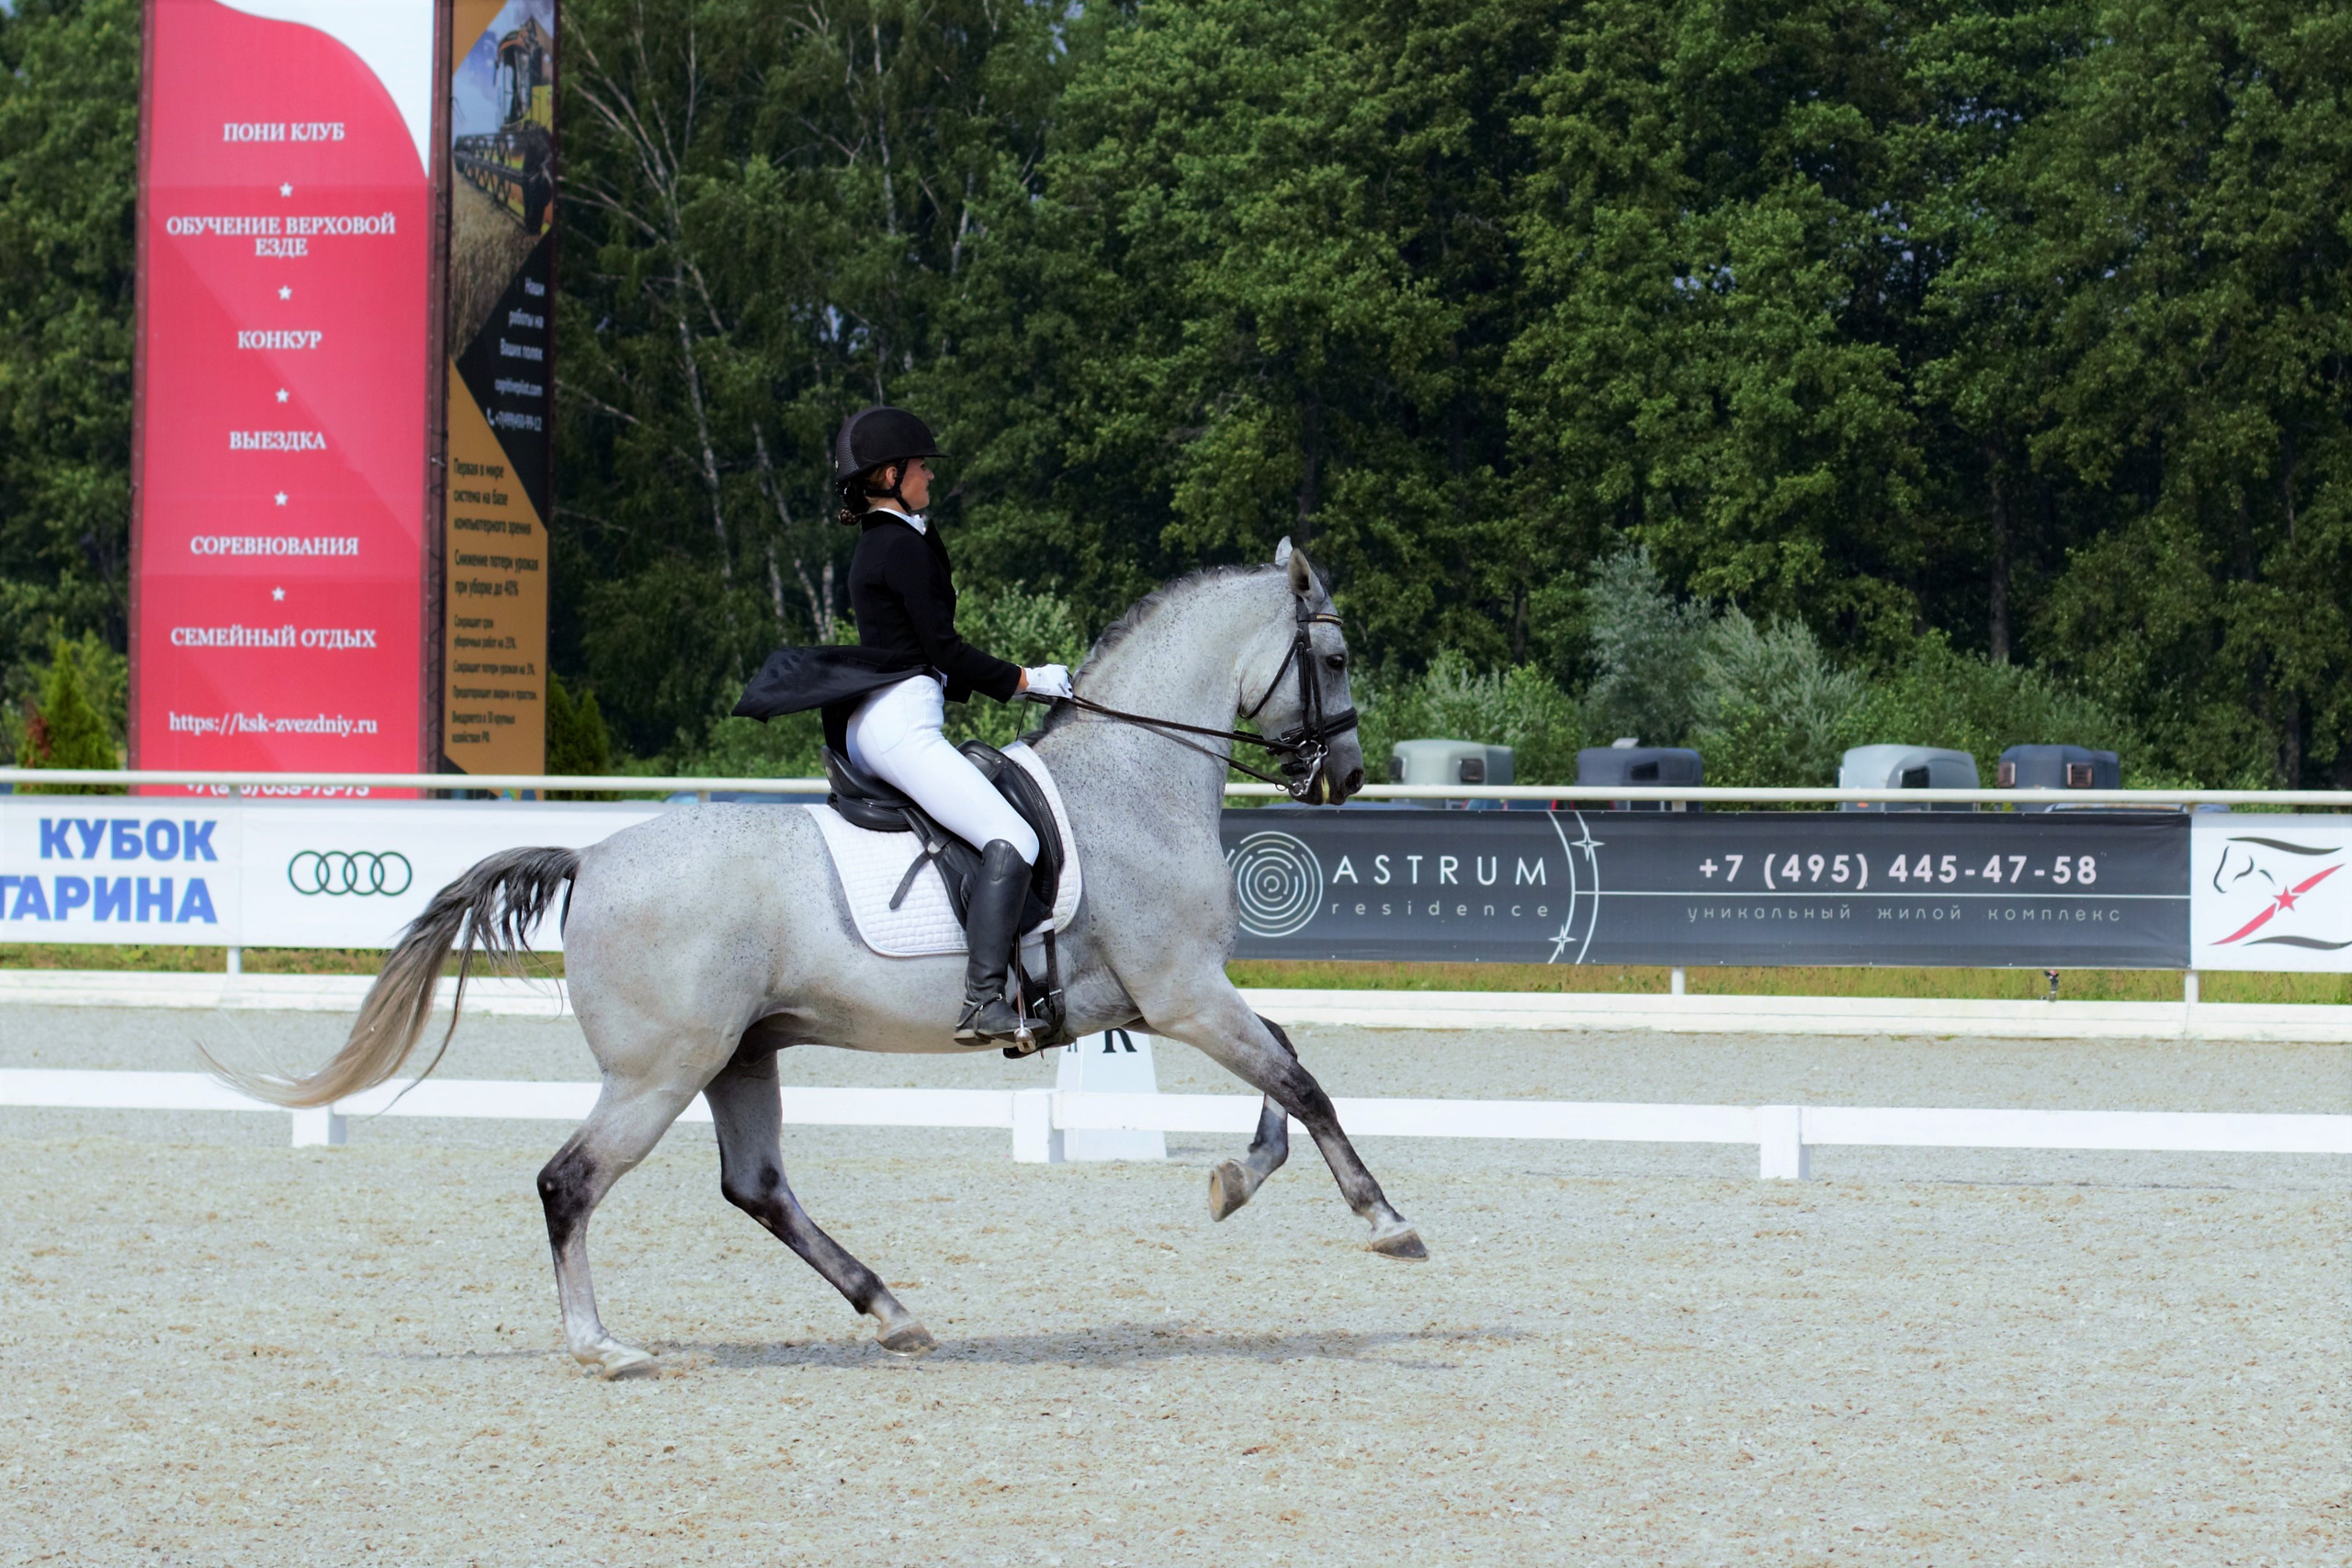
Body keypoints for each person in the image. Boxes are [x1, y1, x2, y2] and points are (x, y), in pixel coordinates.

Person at [828, 406, 1070, 1043]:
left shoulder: (887, 541)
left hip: (882, 715)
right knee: (1013, 838)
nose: (929, 477)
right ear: (889, 473)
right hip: (900, 724)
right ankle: (982, 1000)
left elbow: (921, 651)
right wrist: (1028, 679)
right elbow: (943, 648)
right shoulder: (900, 545)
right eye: (921, 467)